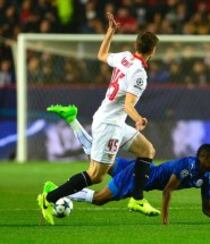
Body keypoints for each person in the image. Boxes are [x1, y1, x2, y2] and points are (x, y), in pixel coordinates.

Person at [38, 13, 160, 225]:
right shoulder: (139, 73)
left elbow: (102, 54)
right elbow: (128, 105)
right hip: (109, 125)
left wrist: (110, 32)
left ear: (136, 45)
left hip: (115, 122)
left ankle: (137, 199)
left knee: (147, 151)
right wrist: (139, 120)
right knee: (95, 175)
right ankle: (49, 198)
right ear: (153, 51)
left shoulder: (124, 57)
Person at [44, 105, 210, 225]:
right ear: (202, 158)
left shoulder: (207, 178)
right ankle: (57, 192)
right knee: (99, 198)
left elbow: (206, 207)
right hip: (139, 178)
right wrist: (165, 220)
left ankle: (72, 120)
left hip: (140, 169)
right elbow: (168, 190)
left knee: (97, 158)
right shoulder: (189, 166)